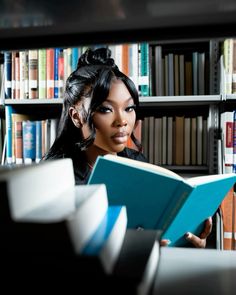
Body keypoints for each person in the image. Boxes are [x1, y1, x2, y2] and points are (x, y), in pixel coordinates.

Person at [43, 47, 212, 248]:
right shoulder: (53, 180)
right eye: (106, 109)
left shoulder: (137, 162)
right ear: (76, 116)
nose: (122, 121)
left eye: (129, 108)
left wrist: (188, 241)